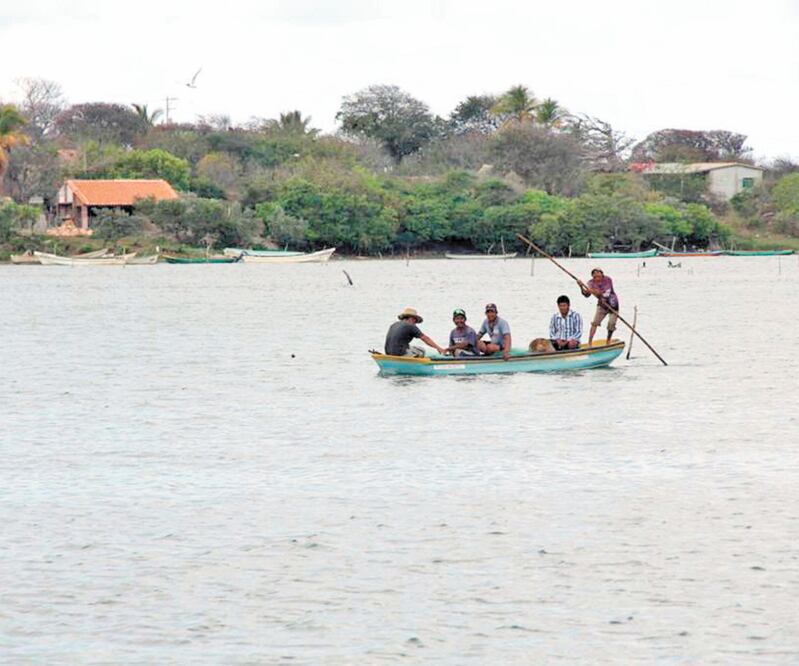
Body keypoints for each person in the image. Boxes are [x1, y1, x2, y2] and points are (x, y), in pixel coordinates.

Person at [579, 268, 619, 346]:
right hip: (602, 305)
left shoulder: (608, 279)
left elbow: (604, 293)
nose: (597, 279)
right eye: (595, 277)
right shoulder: (590, 283)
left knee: (611, 324)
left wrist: (592, 291)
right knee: (595, 323)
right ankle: (589, 343)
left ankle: (608, 341)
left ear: (602, 275)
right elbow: (586, 294)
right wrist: (581, 286)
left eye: (598, 276)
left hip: (613, 304)